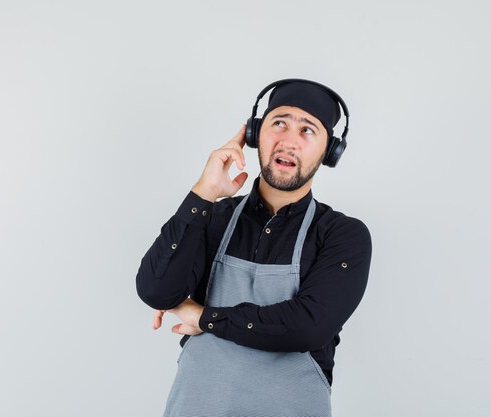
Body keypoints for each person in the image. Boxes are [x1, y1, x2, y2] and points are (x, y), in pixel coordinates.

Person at [135, 79, 372, 417]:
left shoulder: (342, 235)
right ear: (254, 134)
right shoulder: (212, 218)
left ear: (328, 152)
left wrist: (204, 317)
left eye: (308, 130)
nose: (289, 140)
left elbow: (307, 326)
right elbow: (157, 291)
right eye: (279, 123)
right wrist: (203, 192)